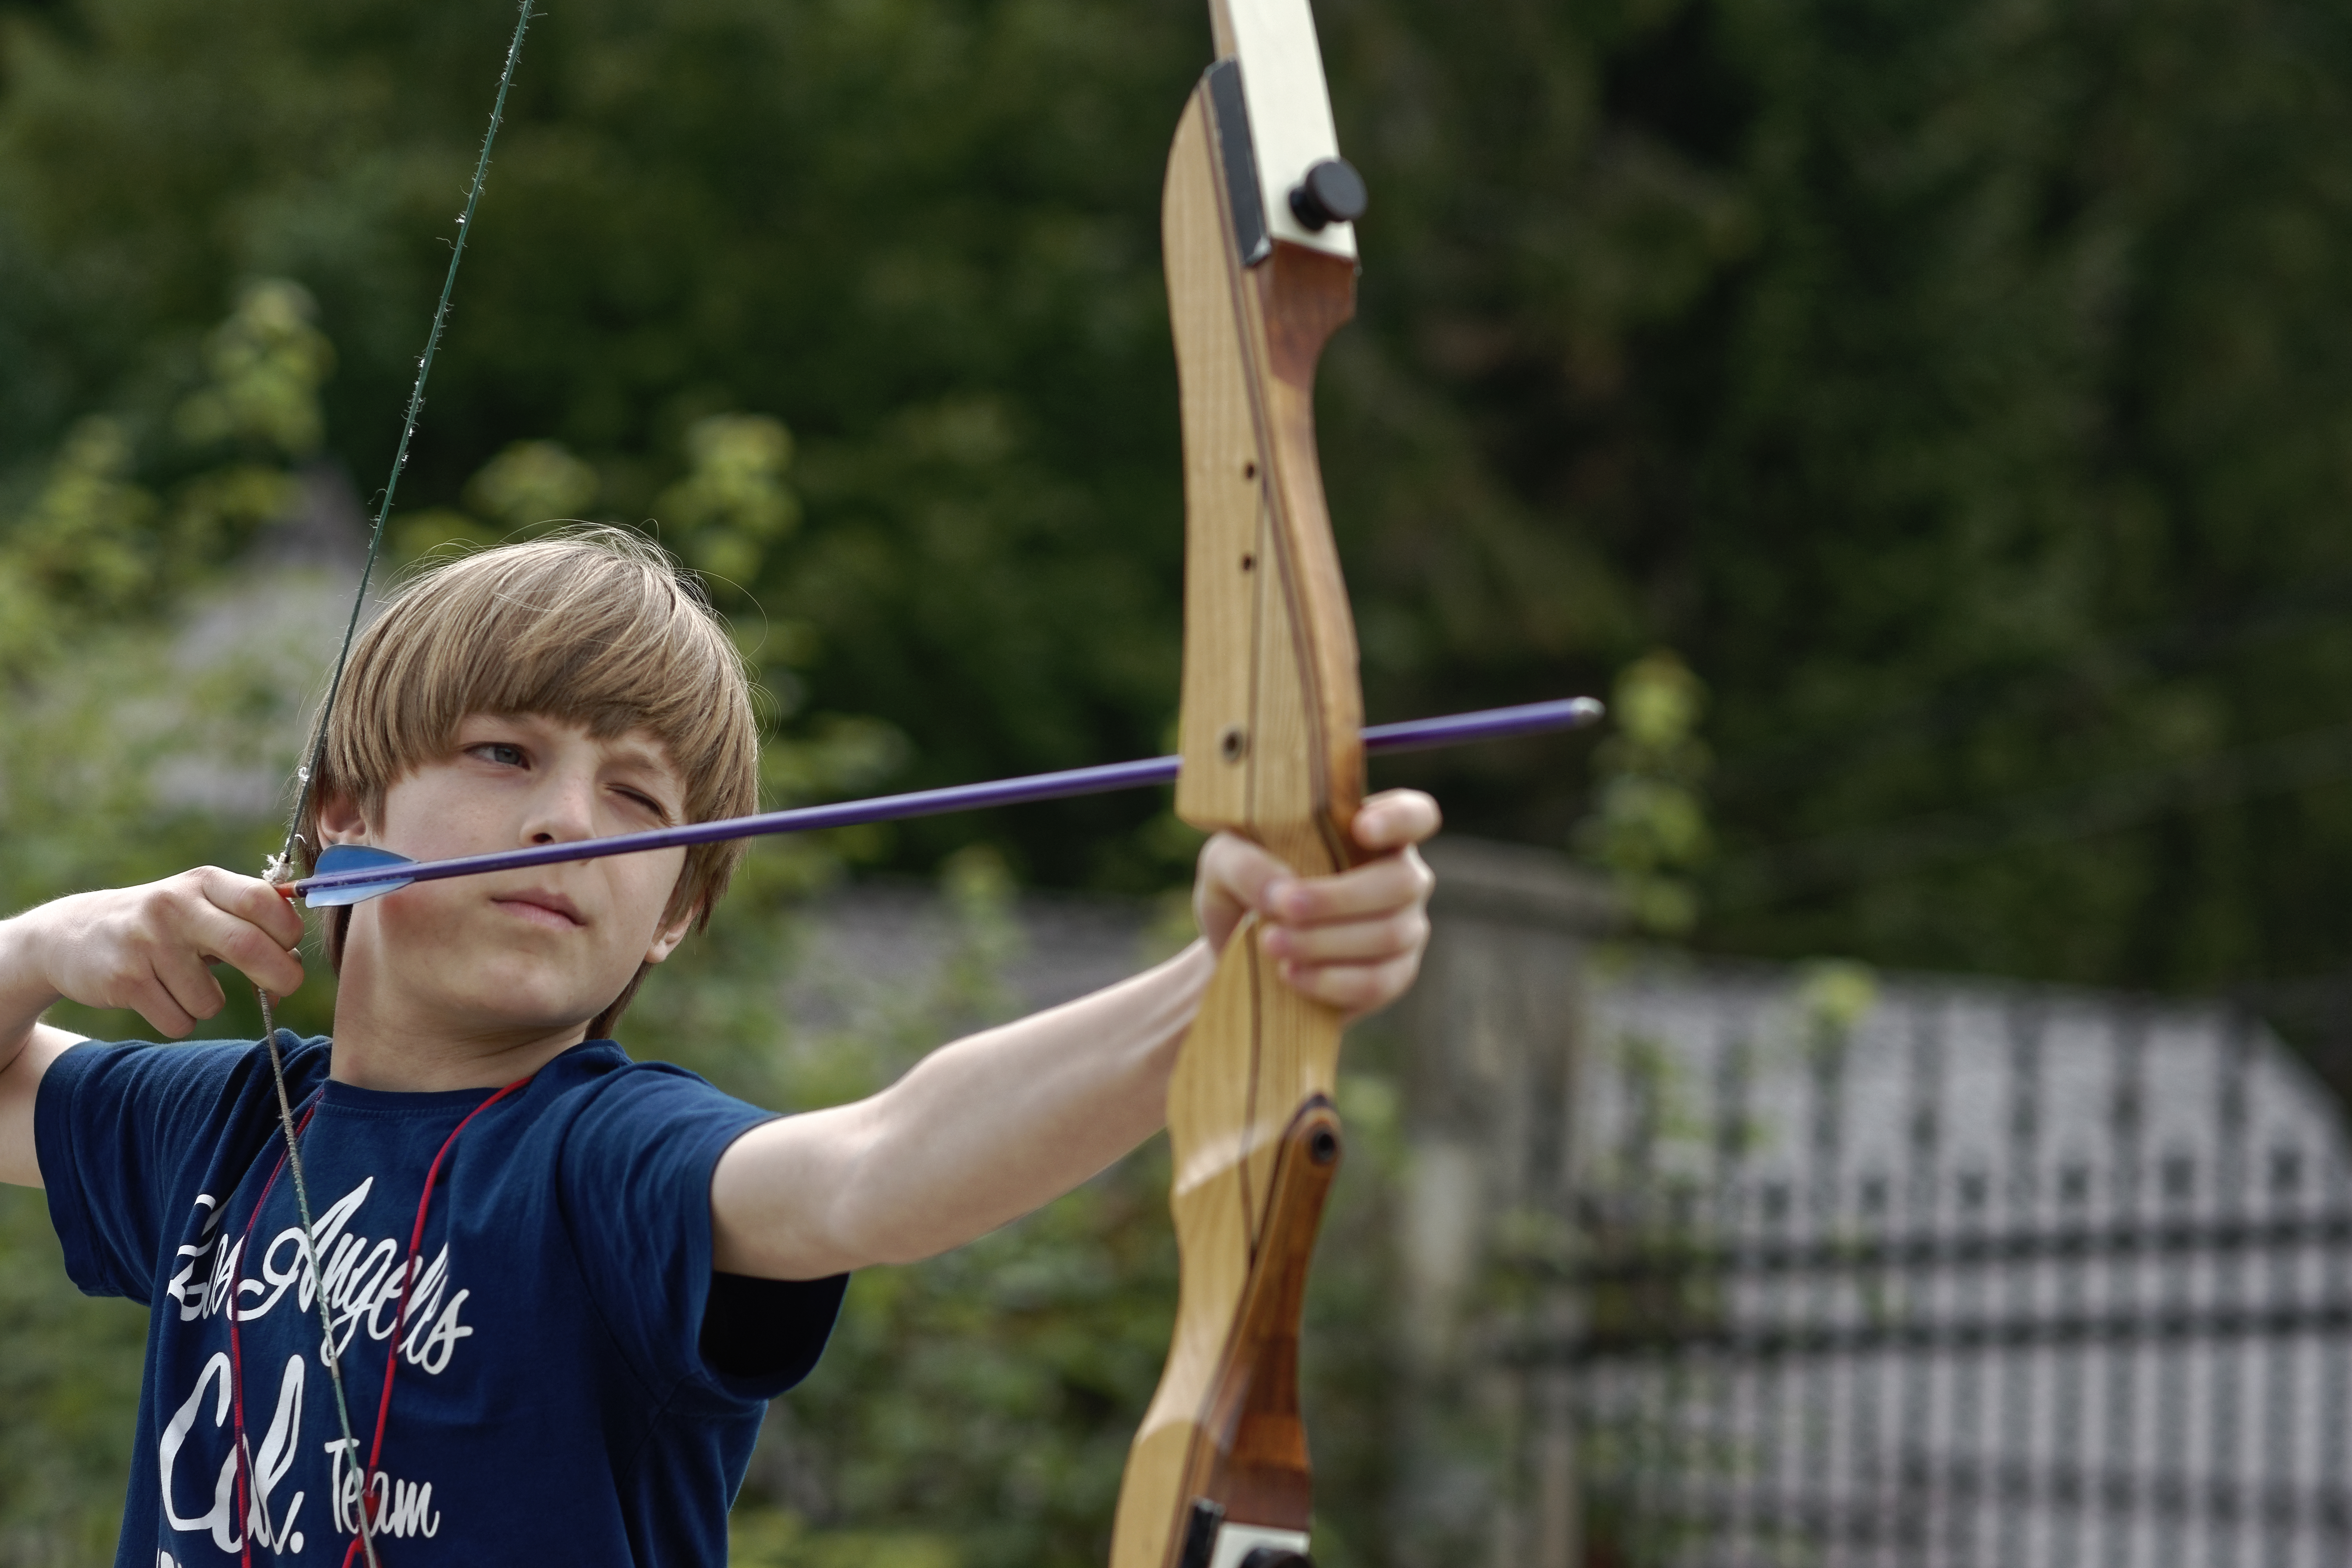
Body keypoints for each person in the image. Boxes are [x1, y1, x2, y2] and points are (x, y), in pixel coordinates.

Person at [0, 529, 1440, 1565]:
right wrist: (45, 944)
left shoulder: (610, 1158)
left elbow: (875, 1168)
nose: (568, 821)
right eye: (506, 755)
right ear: (340, 813)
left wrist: (1230, 983)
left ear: (675, 912)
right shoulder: (221, 1129)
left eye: (641, 800)